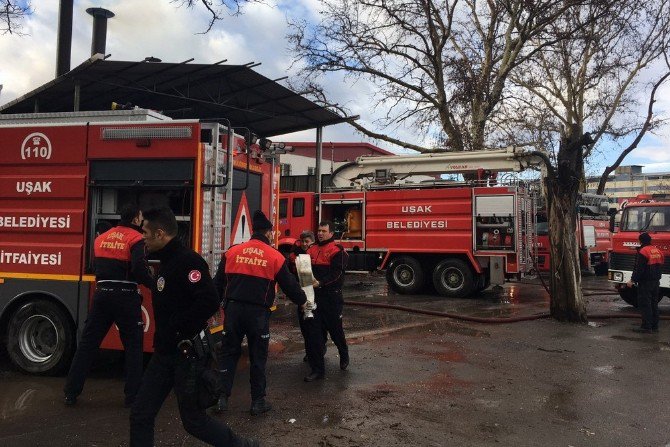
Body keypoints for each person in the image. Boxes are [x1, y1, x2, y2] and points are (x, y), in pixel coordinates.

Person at [129, 206, 258, 447]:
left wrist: (178, 328)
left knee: (193, 421)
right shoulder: (164, 262)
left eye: (145, 232)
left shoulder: (188, 261)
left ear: (159, 234)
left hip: (186, 355)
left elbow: (209, 301)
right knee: (140, 413)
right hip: (164, 353)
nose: (142, 237)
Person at [214, 210, 307, 415]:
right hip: (257, 314)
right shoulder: (274, 256)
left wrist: (213, 307)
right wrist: (303, 301)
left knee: (229, 353)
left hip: (233, 311)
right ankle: (258, 402)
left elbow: (218, 283)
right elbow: (289, 285)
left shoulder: (232, 252)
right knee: (258, 356)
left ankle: (221, 398)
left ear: (253, 231)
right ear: (268, 232)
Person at [64, 204, 152, 407]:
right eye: (141, 216)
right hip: (125, 297)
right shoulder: (136, 238)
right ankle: (132, 397)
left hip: (102, 295)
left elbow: (97, 266)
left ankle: (71, 392)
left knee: (88, 344)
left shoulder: (101, 237)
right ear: (136, 219)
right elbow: (139, 269)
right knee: (133, 346)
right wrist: (152, 284)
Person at [304, 220, 350, 382]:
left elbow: (337, 275)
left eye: (324, 231)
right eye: (319, 230)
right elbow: (303, 269)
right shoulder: (311, 249)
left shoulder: (337, 251)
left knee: (335, 331)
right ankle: (317, 370)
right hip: (314, 298)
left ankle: (343, 354)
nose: (320, 233)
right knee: (315, 333)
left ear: (331, 234)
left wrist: (321, 283)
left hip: (331, 298)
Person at [627, 232, 665, 333]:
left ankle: (646, 327)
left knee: (645, 304)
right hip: (656, 281)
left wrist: (632, 280)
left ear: (641, 241)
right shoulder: (657, 250)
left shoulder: (643, 251)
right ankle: (655, 326)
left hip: (646, 283)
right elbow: (661, 265)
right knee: (654, 304)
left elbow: (639, 269)